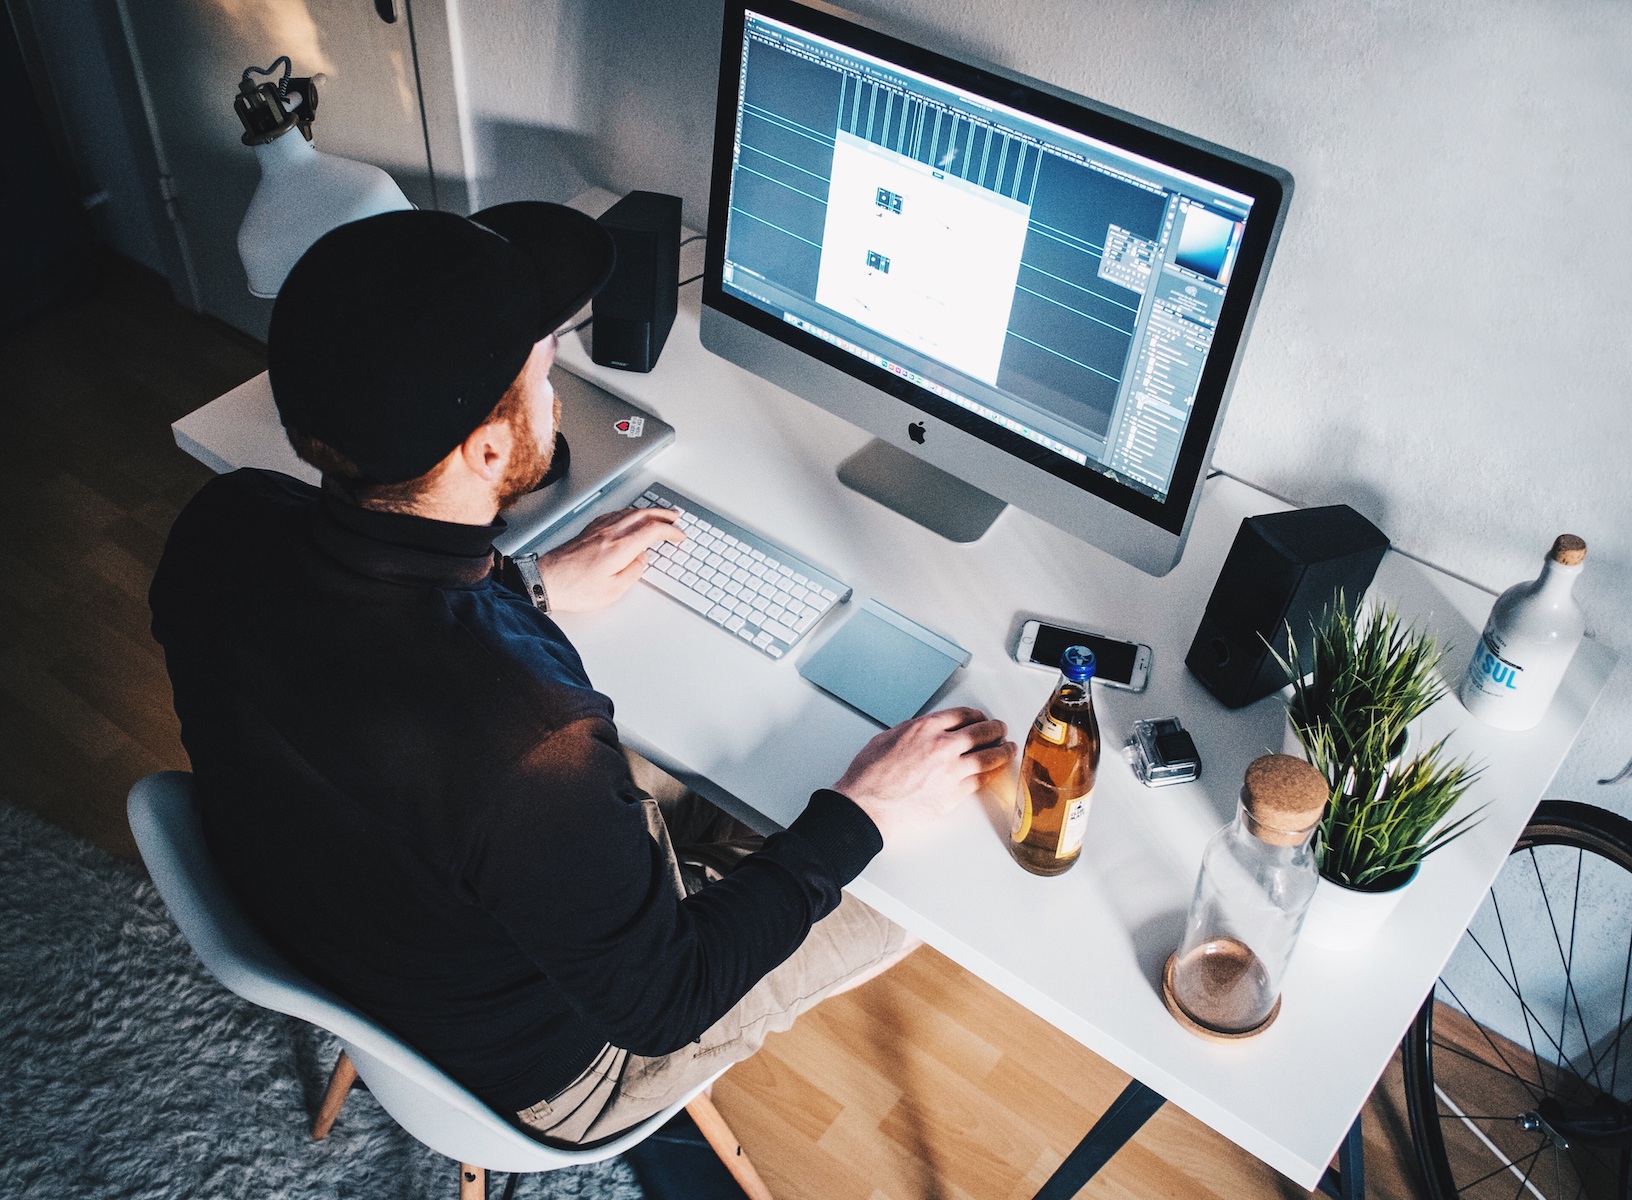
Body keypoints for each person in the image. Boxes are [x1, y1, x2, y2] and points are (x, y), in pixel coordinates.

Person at [149, 202, 1014, 1145]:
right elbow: (663, 1001)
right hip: (562, 1063)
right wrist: (867, 810)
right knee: (917, 890)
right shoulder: (528, 745)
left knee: (746, 791)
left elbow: (368, 649)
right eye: (548, 372)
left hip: (361, 925)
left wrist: (530, 584)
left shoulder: (222, 525)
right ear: (485, 451)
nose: (558, 396)